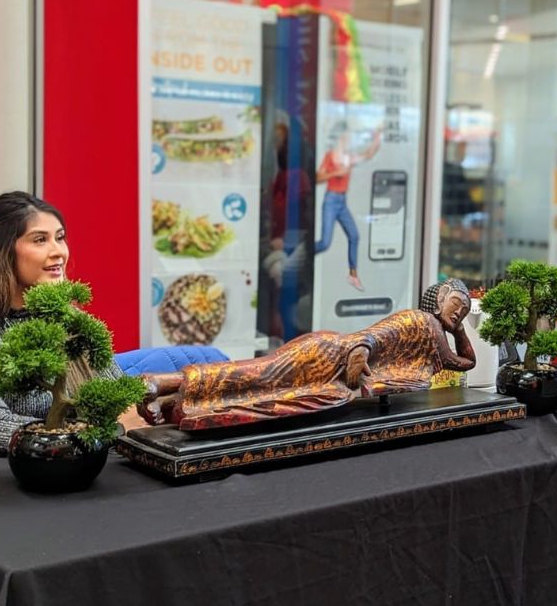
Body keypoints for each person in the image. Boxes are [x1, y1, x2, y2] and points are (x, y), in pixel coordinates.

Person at [0, 191, 124, 455]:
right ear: (4, 251)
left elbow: (122, 405)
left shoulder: (71, 321)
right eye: (40, 240)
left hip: (76, 475)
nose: (59, 252)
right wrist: (108, 431)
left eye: (60, 238)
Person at [137, 279, 475, 431]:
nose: (459, 313)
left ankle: (175, 401)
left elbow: (464, 363)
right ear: (437, 299)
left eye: (464, 310)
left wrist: (459, 329)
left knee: (263, 393)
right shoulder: (419, 320)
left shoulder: (434, 335)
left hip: (336, 377)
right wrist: (361, 352)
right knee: (261, 375)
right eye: (456, 305)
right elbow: (373, 337)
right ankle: (163, 381)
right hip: (331, 355)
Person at [315, 122, 382, 291]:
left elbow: (368, 154)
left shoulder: (348, 157)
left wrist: (377, 136)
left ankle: (353, 274)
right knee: (324, 243)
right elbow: (317, 177)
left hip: (342, 201)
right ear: (341, 137)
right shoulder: (330, 156)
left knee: (354, 236)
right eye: (348, 135)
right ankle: (303, 254)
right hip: (331, 200)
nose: (350, 139)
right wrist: (335, 173)